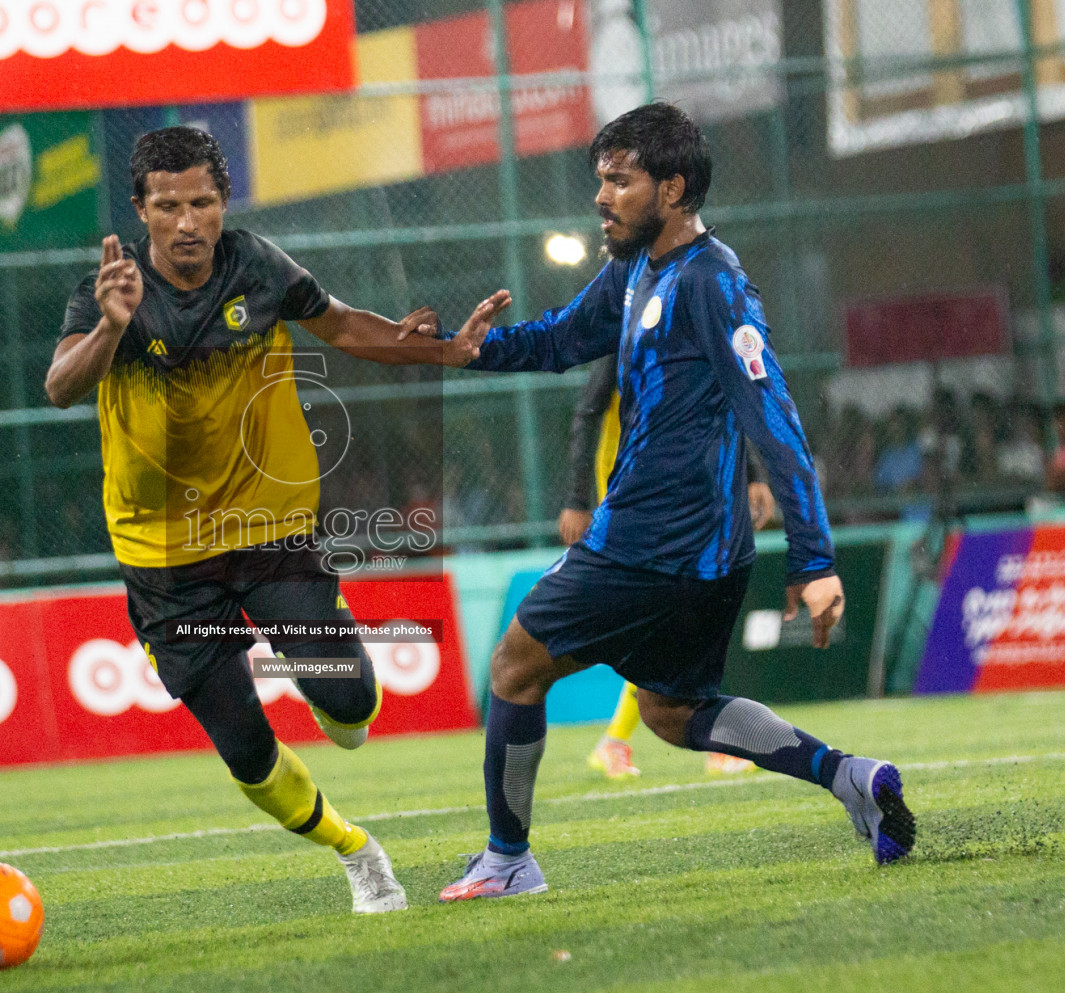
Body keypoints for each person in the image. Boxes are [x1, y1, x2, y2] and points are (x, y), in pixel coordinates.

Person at [434, 103, 915, 902]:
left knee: (515, 666)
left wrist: (816, 558)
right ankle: (850, 779)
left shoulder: (714, 282)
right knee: (671, 712)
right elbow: (559, 338)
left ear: (674, 187)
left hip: (650, 544)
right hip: (701, 556)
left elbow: (775, 415)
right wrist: (475, 348)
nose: (602, 196)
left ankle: (509, 860)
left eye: (620, 180)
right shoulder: (635, 270)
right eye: (601, 179)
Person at [46, 126, 489, 914]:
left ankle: (333, 695)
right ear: (141, 210)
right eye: (169, 206)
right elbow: (59, 386)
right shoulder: (105, 292)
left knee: (351, 704)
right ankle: (356, 853)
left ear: (224, 205)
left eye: (204, 204)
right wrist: (112, 326)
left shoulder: (258, 264)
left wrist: (439, 351)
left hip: (269, 533)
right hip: (163, 557)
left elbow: (345, 324)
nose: (188, 223)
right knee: (248, 751)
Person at [561, 353, 772, 779]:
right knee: (678, 611)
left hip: (682, 489)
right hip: (628, 498)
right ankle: (710, 741)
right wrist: (576, 499)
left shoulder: (695, 320)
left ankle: (618, 741)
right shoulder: (623, 327)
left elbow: (727, 396)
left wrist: (753, 474)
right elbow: (588, 412)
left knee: (678, 614)